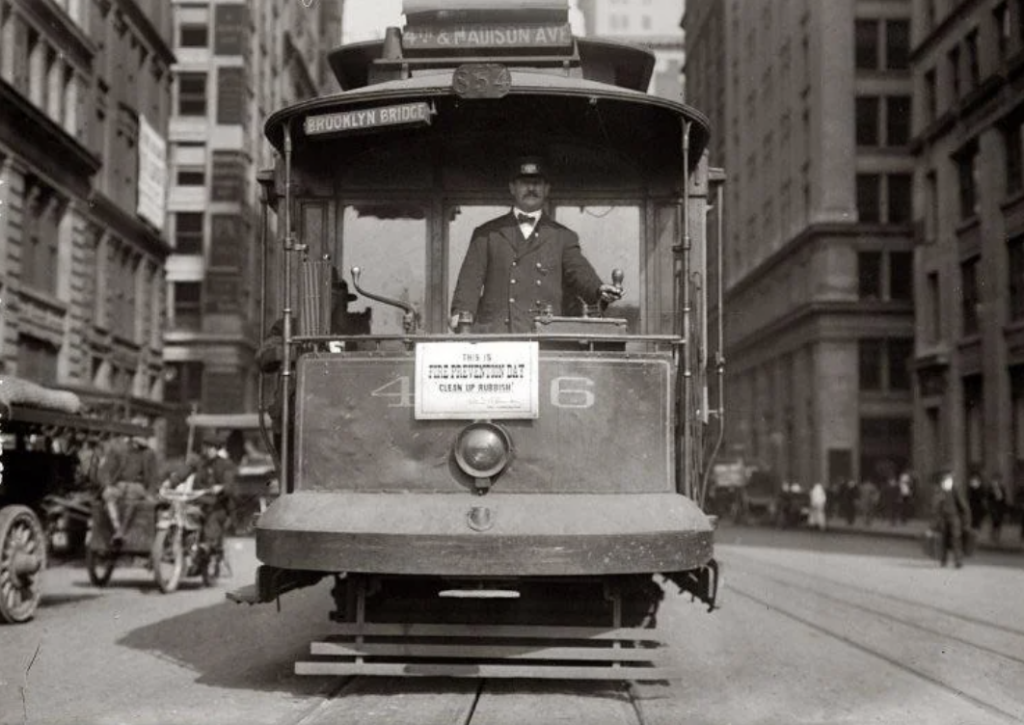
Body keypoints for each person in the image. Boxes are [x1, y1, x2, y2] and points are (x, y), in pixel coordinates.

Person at [449, 156, 623, 333]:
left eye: (537, 183)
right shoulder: (486, 234)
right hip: (498, 337)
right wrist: (460, 314)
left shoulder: (563, 236)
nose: (531, 188)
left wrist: (599, 288)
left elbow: (580, 272)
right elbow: (469, 284)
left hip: (545, 339)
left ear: (547, 189)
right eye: (524, 183)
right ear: (512, 188)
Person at [257, 271, 370, 452]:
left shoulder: (356, 333)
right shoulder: (290, 327)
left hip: (344, 417)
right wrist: (302, 351)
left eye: (341, 301)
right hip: (296, 420)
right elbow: (265, 356)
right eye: (331, 297)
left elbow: (370, 364)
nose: (337, 305)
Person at [97, 421, 159, 546]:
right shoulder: (118, 450)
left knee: (132, 497)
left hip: (138, 486)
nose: (140, 446)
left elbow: (153, 477)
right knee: (109, 496)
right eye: (137, 443)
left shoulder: (149, 454)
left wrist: (151, 493)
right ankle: (117, 528)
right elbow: (105, 471)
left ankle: (121, 532)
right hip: (118, 485)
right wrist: (107, 486)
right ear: (131, 440)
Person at [932, 469, 971, 568]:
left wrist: (966, 522)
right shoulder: (939, 491)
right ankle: (943, 560)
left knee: (956, 539)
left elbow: (964, 507)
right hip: (943, 519)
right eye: (944, 479)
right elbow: (935, 507)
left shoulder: (955, 490)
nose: (946, 481)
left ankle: (958, 561)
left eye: (948, 479)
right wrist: (935, 521)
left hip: (954, 518)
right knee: (943, 539)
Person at [987, 472, 1008, 543]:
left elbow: (1004, 500)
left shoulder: (1002, 488)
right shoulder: (990, 489)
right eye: (995, 480)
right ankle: (993, 536)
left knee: (999, 523)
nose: (997, 481)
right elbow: (989, 499)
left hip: (1000, 509)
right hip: (993, 509)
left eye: (998, 480)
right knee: (994, 522)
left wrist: (1005, 510)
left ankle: (997, 536)